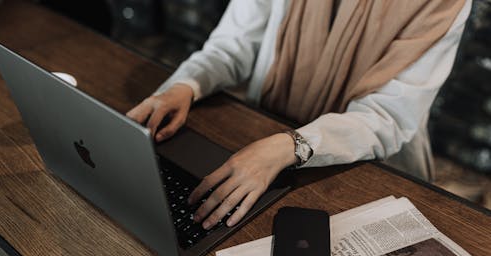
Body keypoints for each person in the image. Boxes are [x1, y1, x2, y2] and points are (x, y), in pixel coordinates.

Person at [127, 0, 471, 230]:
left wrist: (290, 146)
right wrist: (186, 85)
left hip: (368, 169)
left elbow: (389, 116)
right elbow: (234, 44)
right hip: (266, 133)